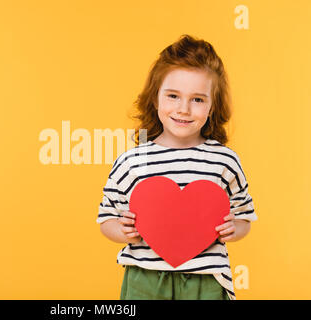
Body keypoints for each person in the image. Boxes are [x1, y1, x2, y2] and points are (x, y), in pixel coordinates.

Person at [96, 34, 258, 300]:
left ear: (212, 105)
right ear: (155, 98)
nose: (183, 109)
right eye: (173, 96)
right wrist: (121, 230)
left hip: (205, 281)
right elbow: (106, 219)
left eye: (198, 99)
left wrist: (235, 229)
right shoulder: (132, 162)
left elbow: (244, 216)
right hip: (145, 278)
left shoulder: (224, 161)